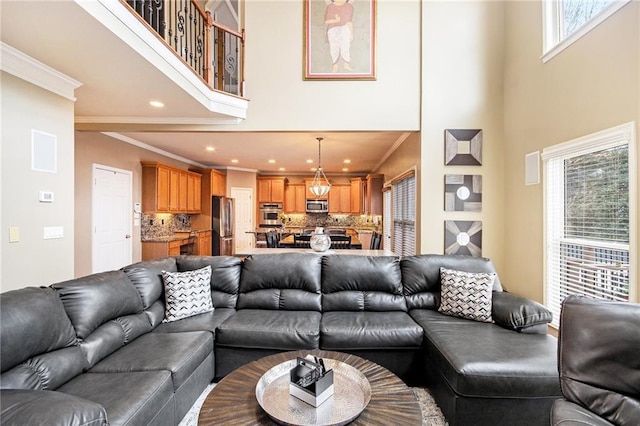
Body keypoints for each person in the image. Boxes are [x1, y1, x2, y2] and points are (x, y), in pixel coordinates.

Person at [324, 0, 353, 73]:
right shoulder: (330, 7)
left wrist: (351, 33)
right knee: (334, 46)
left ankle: (346, 64)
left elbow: (349, 21)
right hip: (333, 28)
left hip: (345, 27)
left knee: (345, 45)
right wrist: (336, 21)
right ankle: (335, 66)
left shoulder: (349, 7)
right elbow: (326, 21)